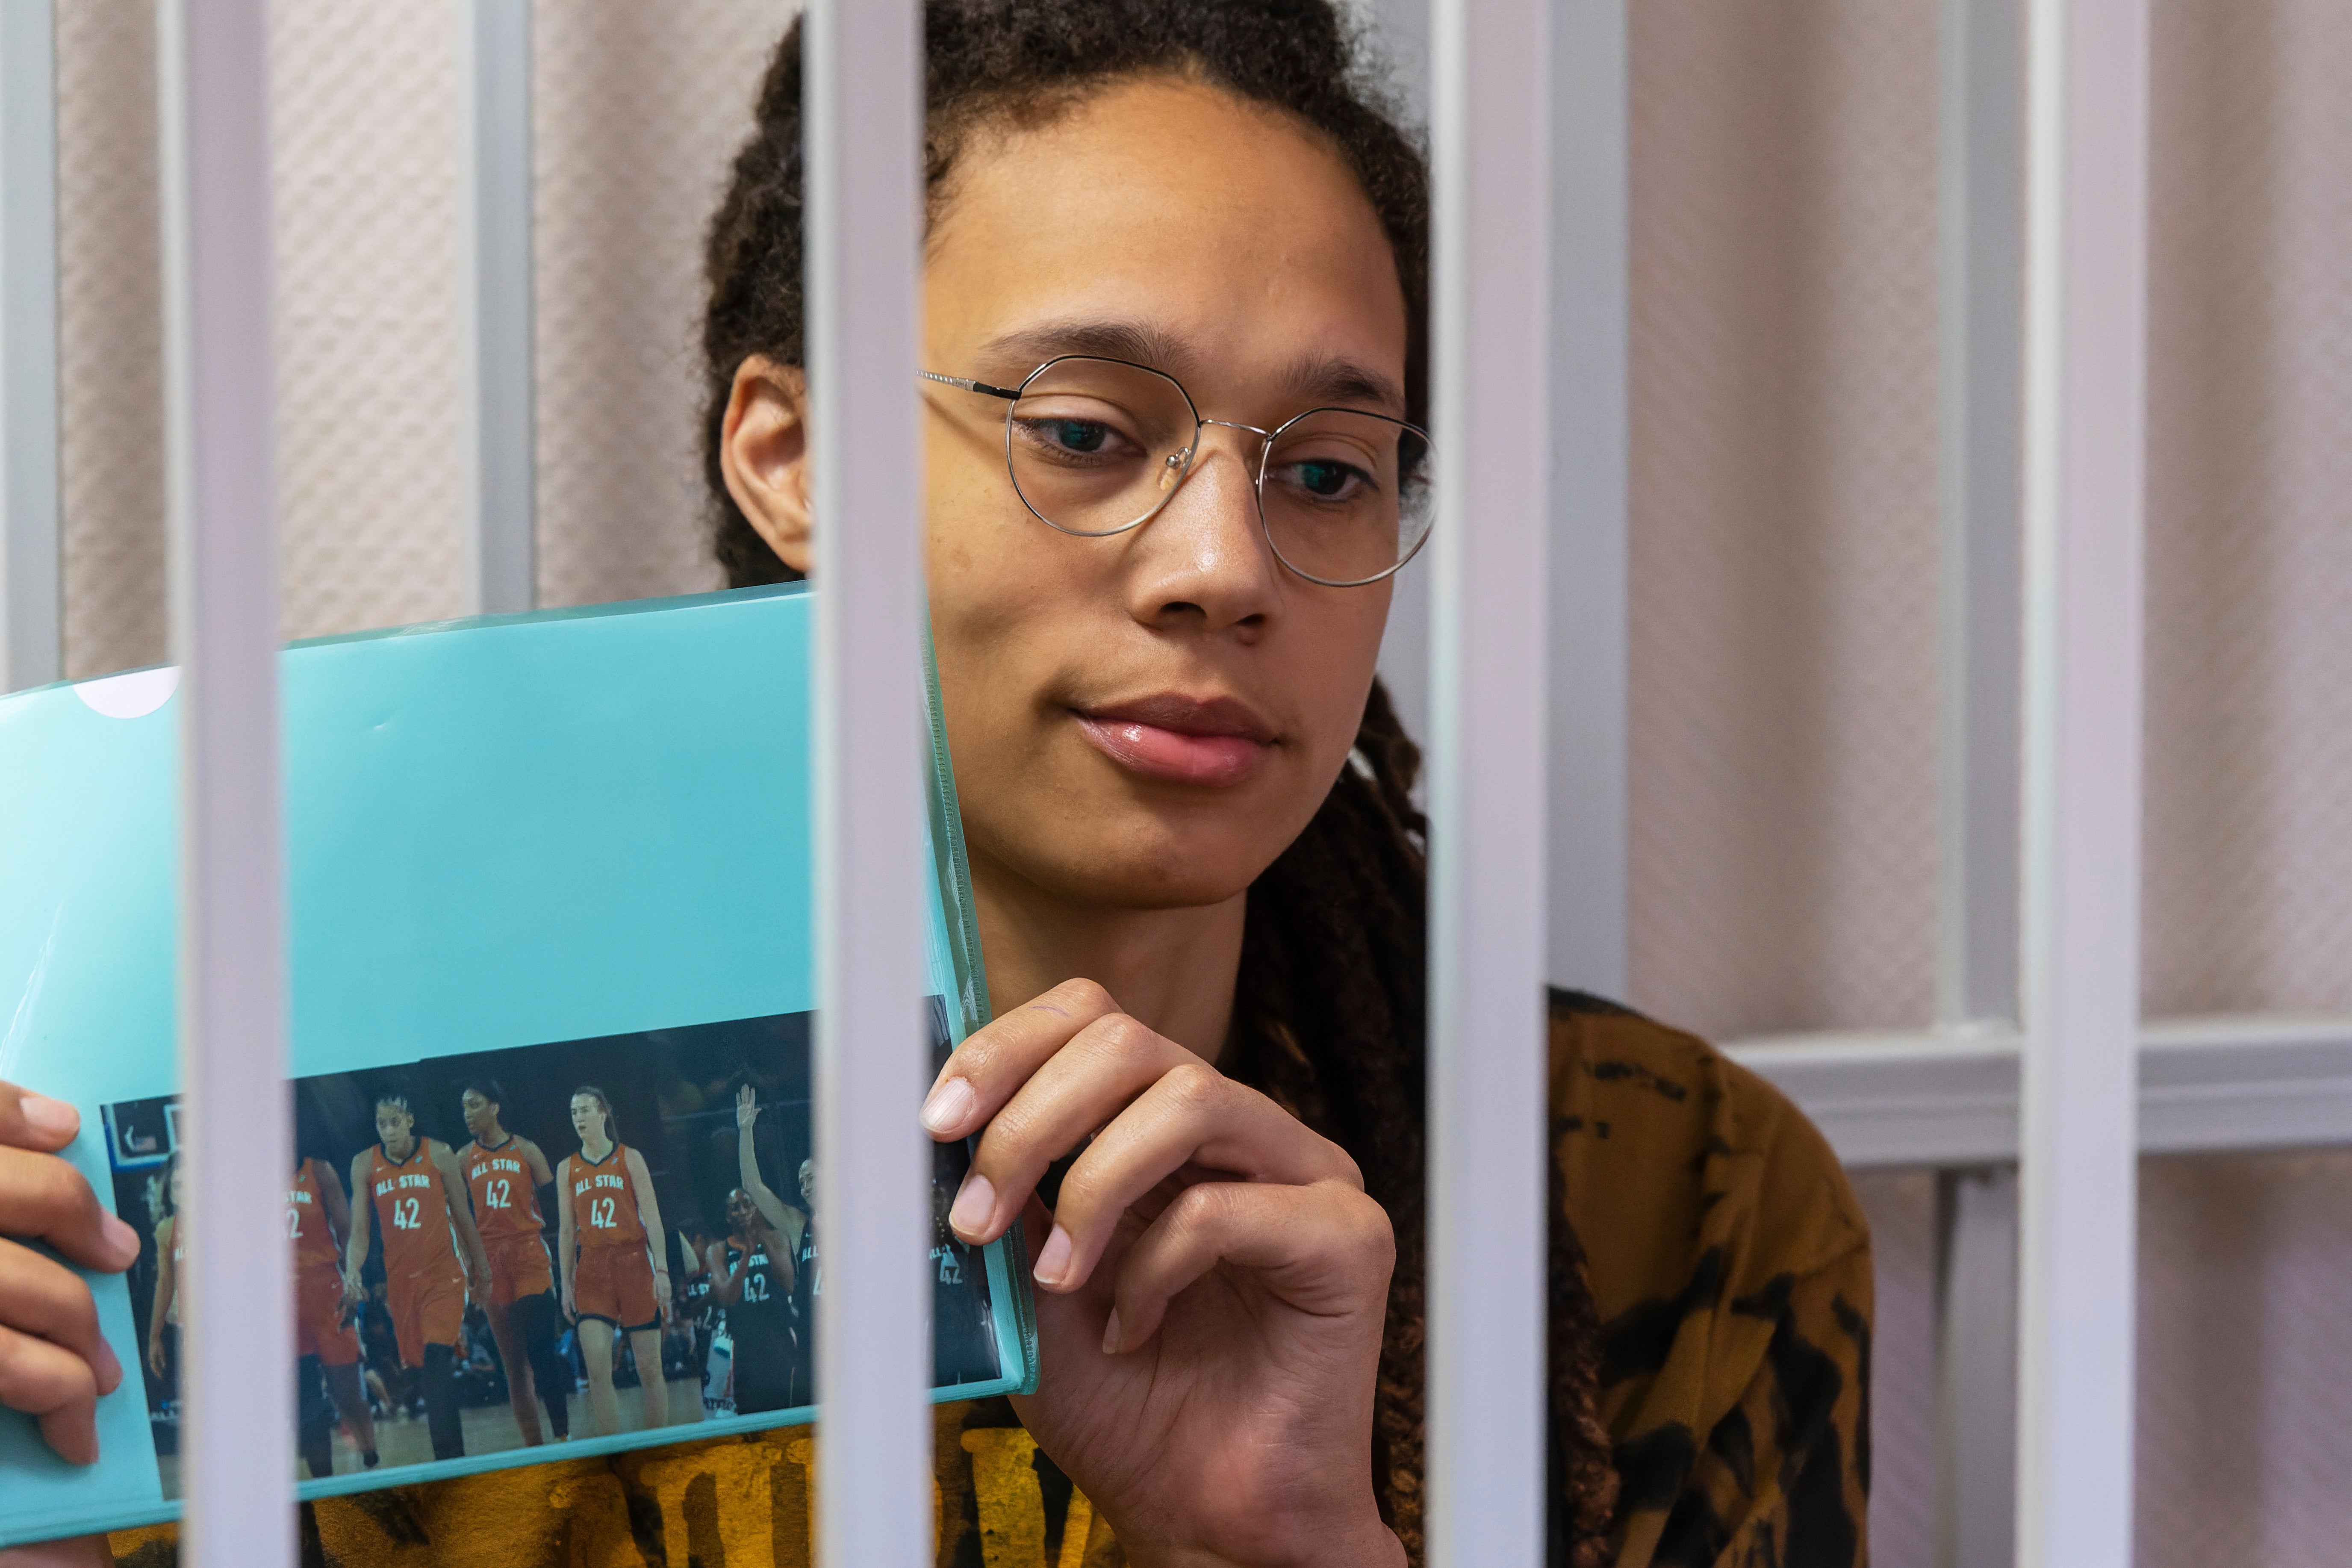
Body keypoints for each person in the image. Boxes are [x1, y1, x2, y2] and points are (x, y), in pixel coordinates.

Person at [0, 6, 1869, 1564]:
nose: (1221, 562)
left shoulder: (1664, 1201)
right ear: (790, 456)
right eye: (1082, 432)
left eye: (1326, 471)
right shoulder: (252, 1185)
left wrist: (1291, 1550)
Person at [342, 1093, 495, 1464]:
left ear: (410, 1120)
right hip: (402, 1284)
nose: (389, 1130)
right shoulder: (365, 1164)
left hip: (444, 1276)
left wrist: (483, 1270)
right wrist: (352, 1270)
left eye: (396, 1121)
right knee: (424, 1369)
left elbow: (463, 1216)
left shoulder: (439, 1154)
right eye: (382, 1123)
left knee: (437, 1357)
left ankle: (450, 1459)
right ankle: (449, 1455)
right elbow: (361, 1231)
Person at [454, 1078, 572, 1444]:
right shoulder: (462, 1159)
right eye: (464, 1107)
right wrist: (469, 1267)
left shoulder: (526, 1150)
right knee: (514, 1368)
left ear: (495, 1108)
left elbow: (557, 1207)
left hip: (528, 1256)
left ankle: (563, 1437)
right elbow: (458, 1220)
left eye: (474, 1104)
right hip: (489, 1262)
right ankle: (535, 1450)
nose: (468, 1114)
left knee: (541, 1351)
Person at [555, 1085, 672, 1437]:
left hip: (634, 1262)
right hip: (591, 1268)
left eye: (585, 1110)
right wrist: (565, 1283)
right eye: (574, 1112)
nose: (579, 1118)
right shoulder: (567, 1168)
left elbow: (652, 1217)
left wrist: (662, 1269)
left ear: (603, 1112)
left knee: (650, 1368)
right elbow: (565, 1232)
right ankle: (615, 1451)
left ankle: (658, 1447)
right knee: (597, 1372)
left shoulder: (629, 1158)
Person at [702, 1085, 805, 1414]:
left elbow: (789, 1283)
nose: (743, 1210)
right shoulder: (718, 1251)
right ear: (726, 1217)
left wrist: (759, 1239)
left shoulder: (776, 1235)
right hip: (739, 1347)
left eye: (748, 1204)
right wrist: (746, 1256)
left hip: (779, 1340)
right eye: (735, 1208)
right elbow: (727, 1298)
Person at [286, 1153, 378, 1476]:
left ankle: (370, 1455)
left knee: (347, 1393)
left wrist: (353, 1283)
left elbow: (348, 1233)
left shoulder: (320, 1171)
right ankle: (323, 1482)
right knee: (306, 1400)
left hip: (326, 1291)